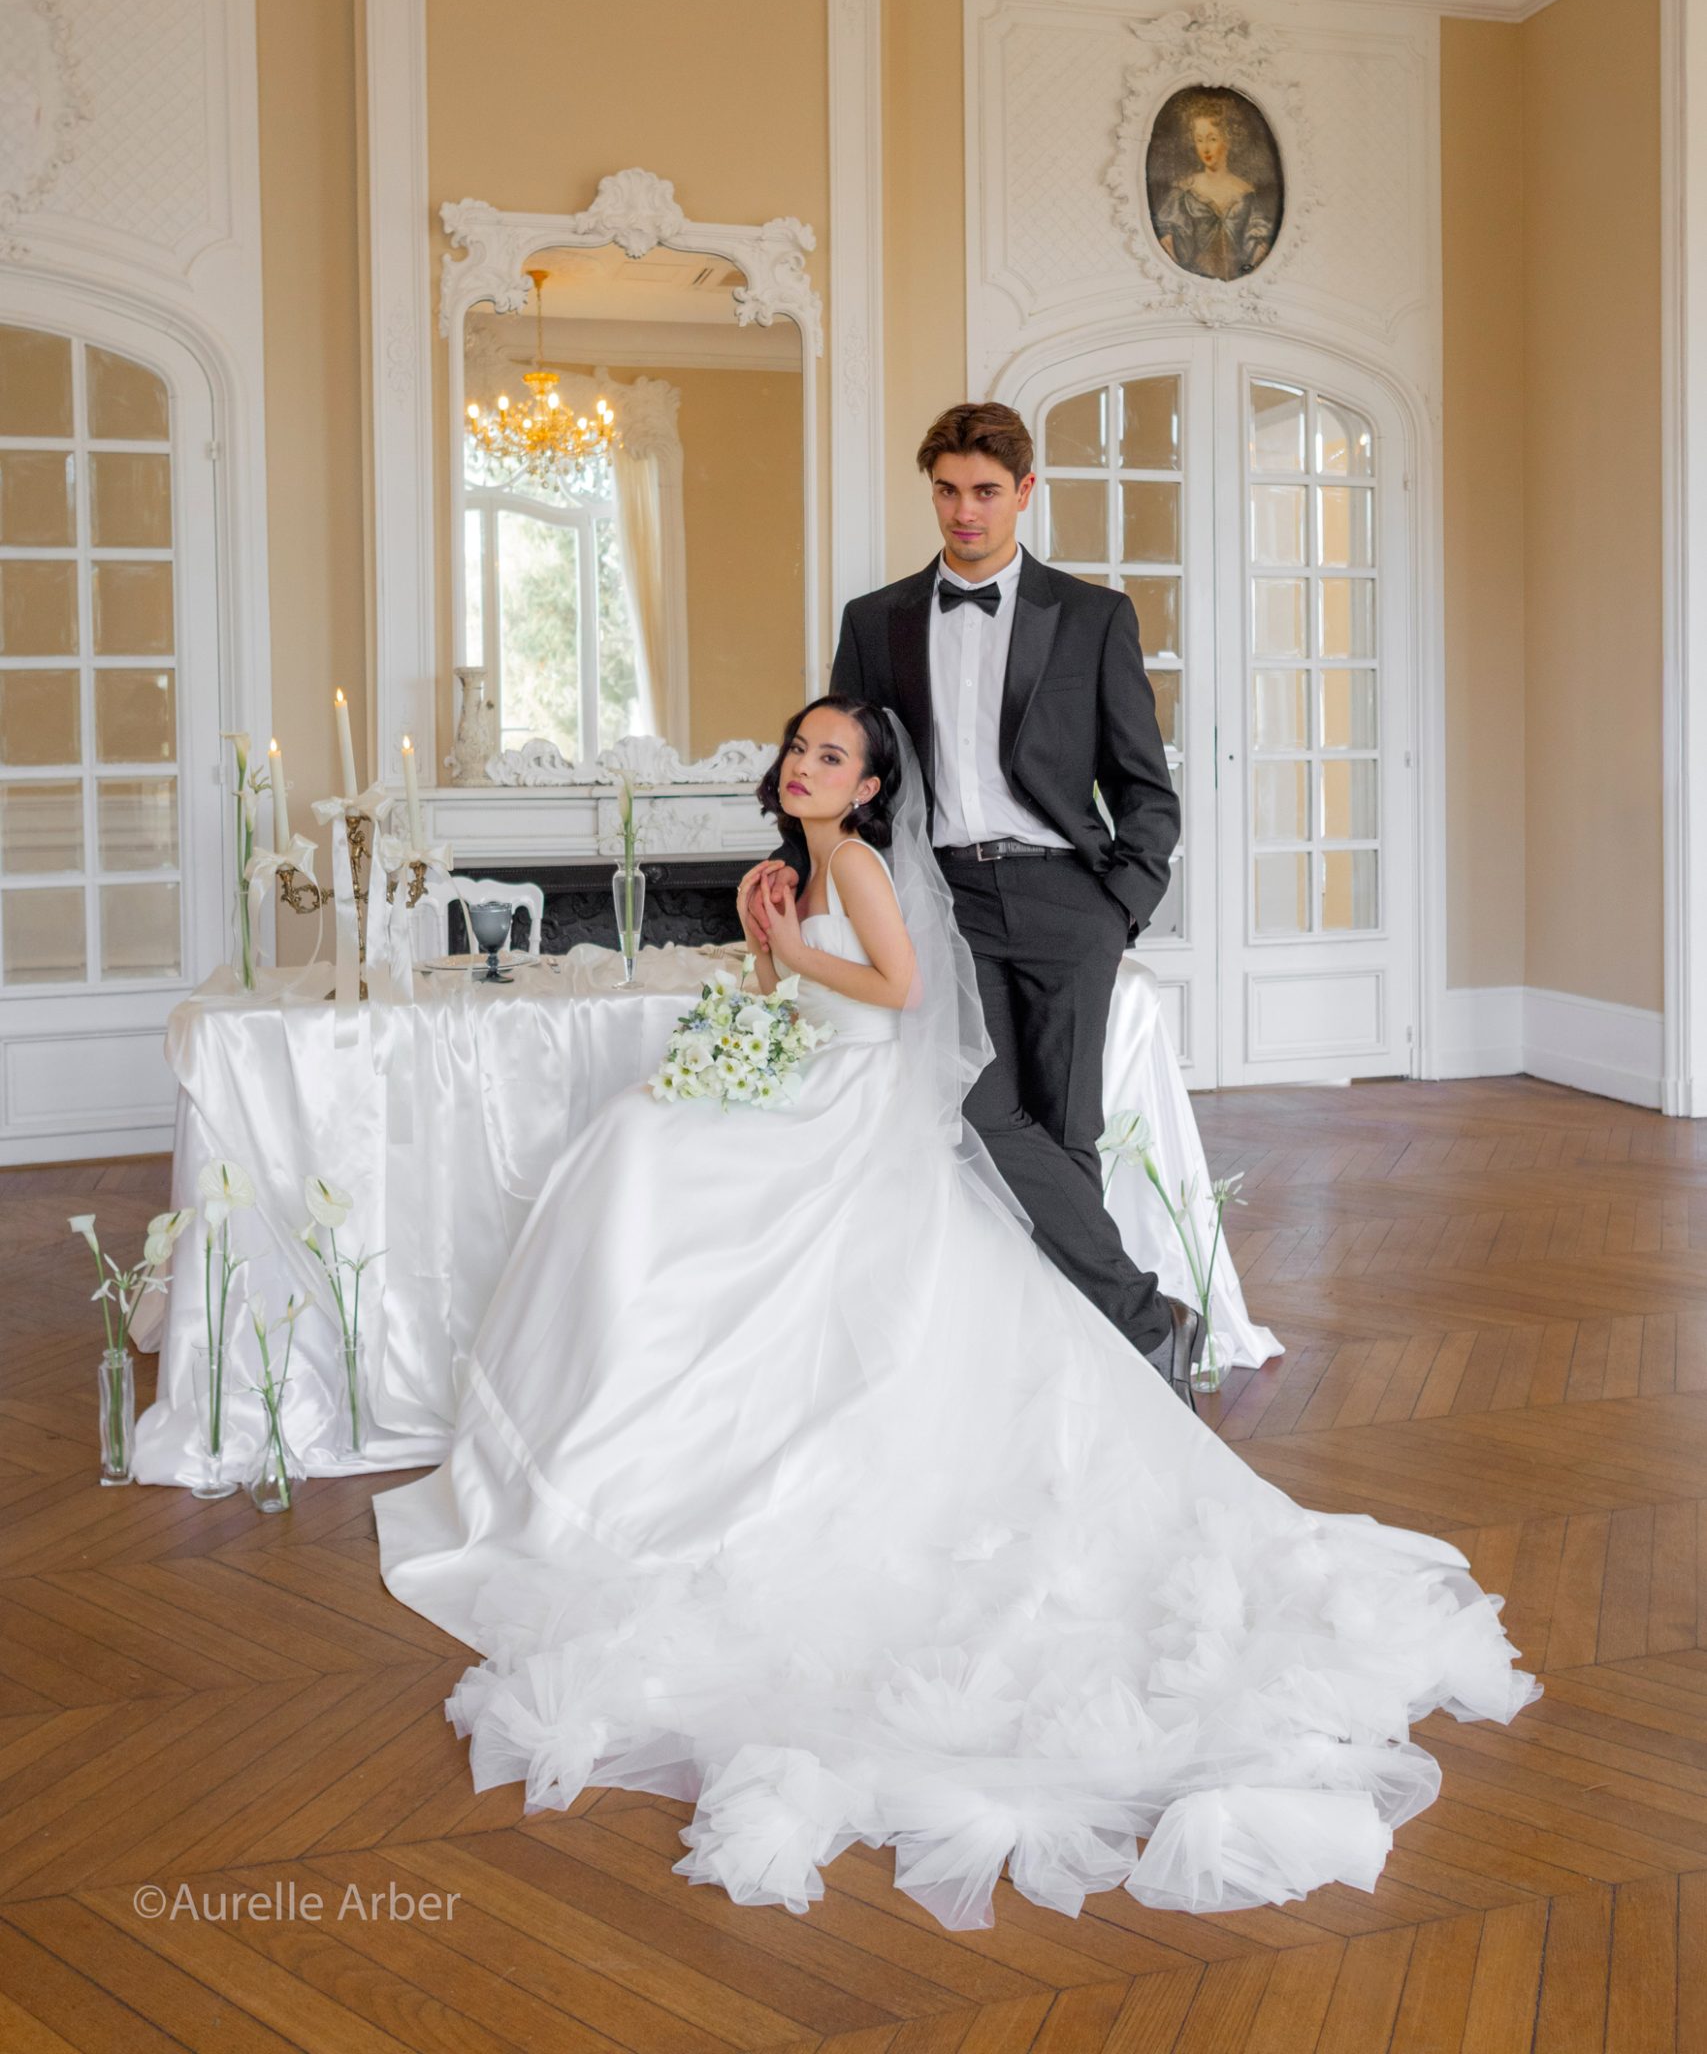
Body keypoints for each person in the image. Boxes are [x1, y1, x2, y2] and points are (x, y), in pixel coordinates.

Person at [374, 698, 1535, 1933]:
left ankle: (627, 1445)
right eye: (799, 751)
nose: (805, 767)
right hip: (810, 1076)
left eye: (831, 757)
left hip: (854, 1104)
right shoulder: (804, 865)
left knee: (643, 1156)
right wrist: (765, 932)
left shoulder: (866, 864)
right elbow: (793, 994)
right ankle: (602, 1439)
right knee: (633, 1145)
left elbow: (896, 989)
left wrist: (797, 949)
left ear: (868, 788)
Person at [828, 402, 1194, 1393]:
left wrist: (1119, 906)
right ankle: (1146, 1317)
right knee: (980, 1105)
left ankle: (1074, 1354)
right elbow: (848, 781)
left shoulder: (1091, 616)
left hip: (1068, 898)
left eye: (985, 491)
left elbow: (1145, 787)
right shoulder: (878, 622)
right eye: (947, 490)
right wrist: (811, 865)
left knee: (1064, 1128)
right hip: (943, 906)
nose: (964, 511)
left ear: (1024, 493)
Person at [1152, 95, 1276, 282]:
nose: (1205, 148)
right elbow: (1168, 240)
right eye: (1199, 140)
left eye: (1212, 139)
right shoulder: (1184, 190)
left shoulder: (1246, 192)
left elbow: (1258, 242)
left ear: (1228, 139)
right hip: (1191, 284)